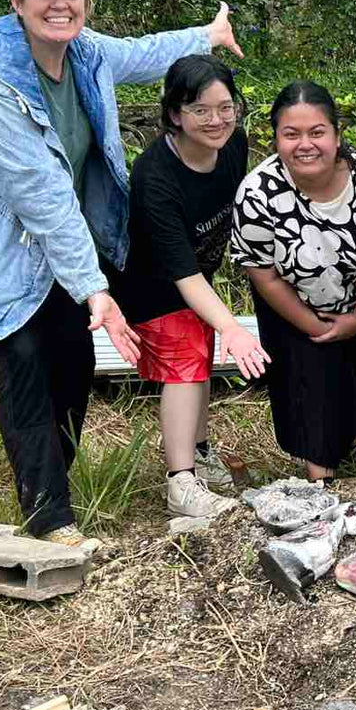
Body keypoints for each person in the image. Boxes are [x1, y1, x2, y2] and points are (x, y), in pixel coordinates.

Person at [0, 0, 241, 554]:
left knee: (75, 355)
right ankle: (48, 517)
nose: (58, 3)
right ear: (17, 3)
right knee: (26, 354)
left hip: (49, 249)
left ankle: (53, 478)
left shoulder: (84, 52)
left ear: (84, 1)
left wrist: (206, 36)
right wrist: (95, 289)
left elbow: (139, 53)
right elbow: (40, 194)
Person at [114, 55, 268, 520]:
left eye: (225, 107)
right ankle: (180, 482)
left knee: (199, 357)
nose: (216, 120)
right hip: (150, 284)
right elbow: (181, 275)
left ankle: (200, 454)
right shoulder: (155, 176)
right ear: (175, 114)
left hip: (200, 275)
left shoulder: (234, 144)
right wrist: (233, 328)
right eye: (200, 110)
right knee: (186, 358)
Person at [231, 81, 356, 482]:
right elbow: (263, 272)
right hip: (288, 302)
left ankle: (352, 442)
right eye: (291, 134)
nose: (305, 144)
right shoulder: (257, 192)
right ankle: (320, 476)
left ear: (337, 136)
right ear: (275, 138)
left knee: (347, 372)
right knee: (307, 379)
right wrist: (313, 325)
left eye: (317, 132)